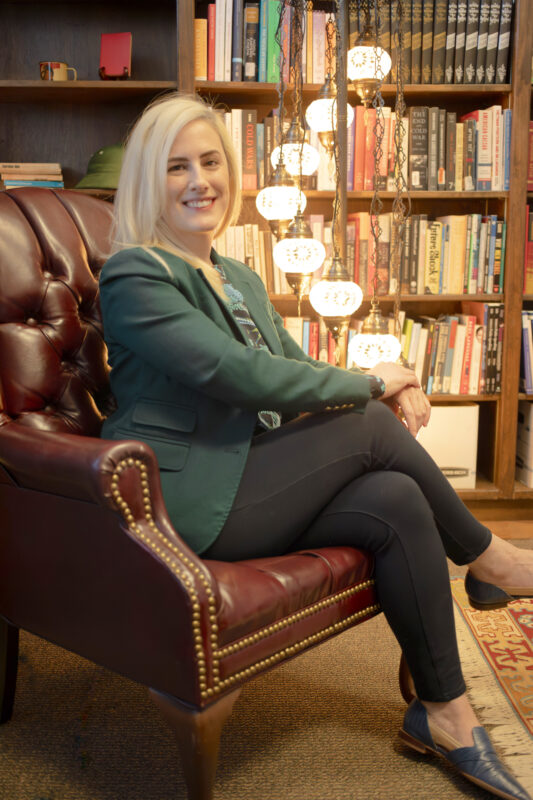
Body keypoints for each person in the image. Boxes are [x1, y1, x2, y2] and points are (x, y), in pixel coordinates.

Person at [99, 92, 533, 800]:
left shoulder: (237, 277)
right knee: (368, 425)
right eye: (177, 167)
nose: (199, 180)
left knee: (394, 498)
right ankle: (493, 561)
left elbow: (293, 367)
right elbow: (237, 374)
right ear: (150, 180)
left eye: (210, 161)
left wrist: (382, 387)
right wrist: (373, 385)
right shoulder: (135, 275)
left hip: (256, 476)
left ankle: (444, 715)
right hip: (186, 499)